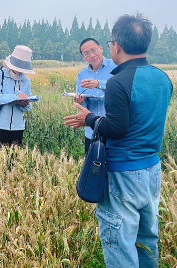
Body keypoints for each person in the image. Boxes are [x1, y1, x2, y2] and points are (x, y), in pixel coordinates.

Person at [64, 13, 173, 268]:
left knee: (119, 244)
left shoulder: (117, 81)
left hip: (123, 173)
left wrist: (89, 119)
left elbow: (116, 128)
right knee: (147, 239)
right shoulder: (162, 78)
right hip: (152, 170)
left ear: (116, 46)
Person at [74, 38, 117, 154]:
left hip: (112, 129)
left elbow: (122, 89)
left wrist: (99, 84)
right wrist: (80, 101)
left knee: (112, 169)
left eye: (94, 50)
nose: (92, 55)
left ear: (101, 48)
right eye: (87, 54)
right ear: (83, 57)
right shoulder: (82, 74)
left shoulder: (115, 67)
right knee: (92, 169)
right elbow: (83, 103)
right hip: (91, 131)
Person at [0, 45, 35, 147]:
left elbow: (28, 107)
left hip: (18, 127)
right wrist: (15, 97)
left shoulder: (26, 80)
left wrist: (24, 104)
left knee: (15, 159)